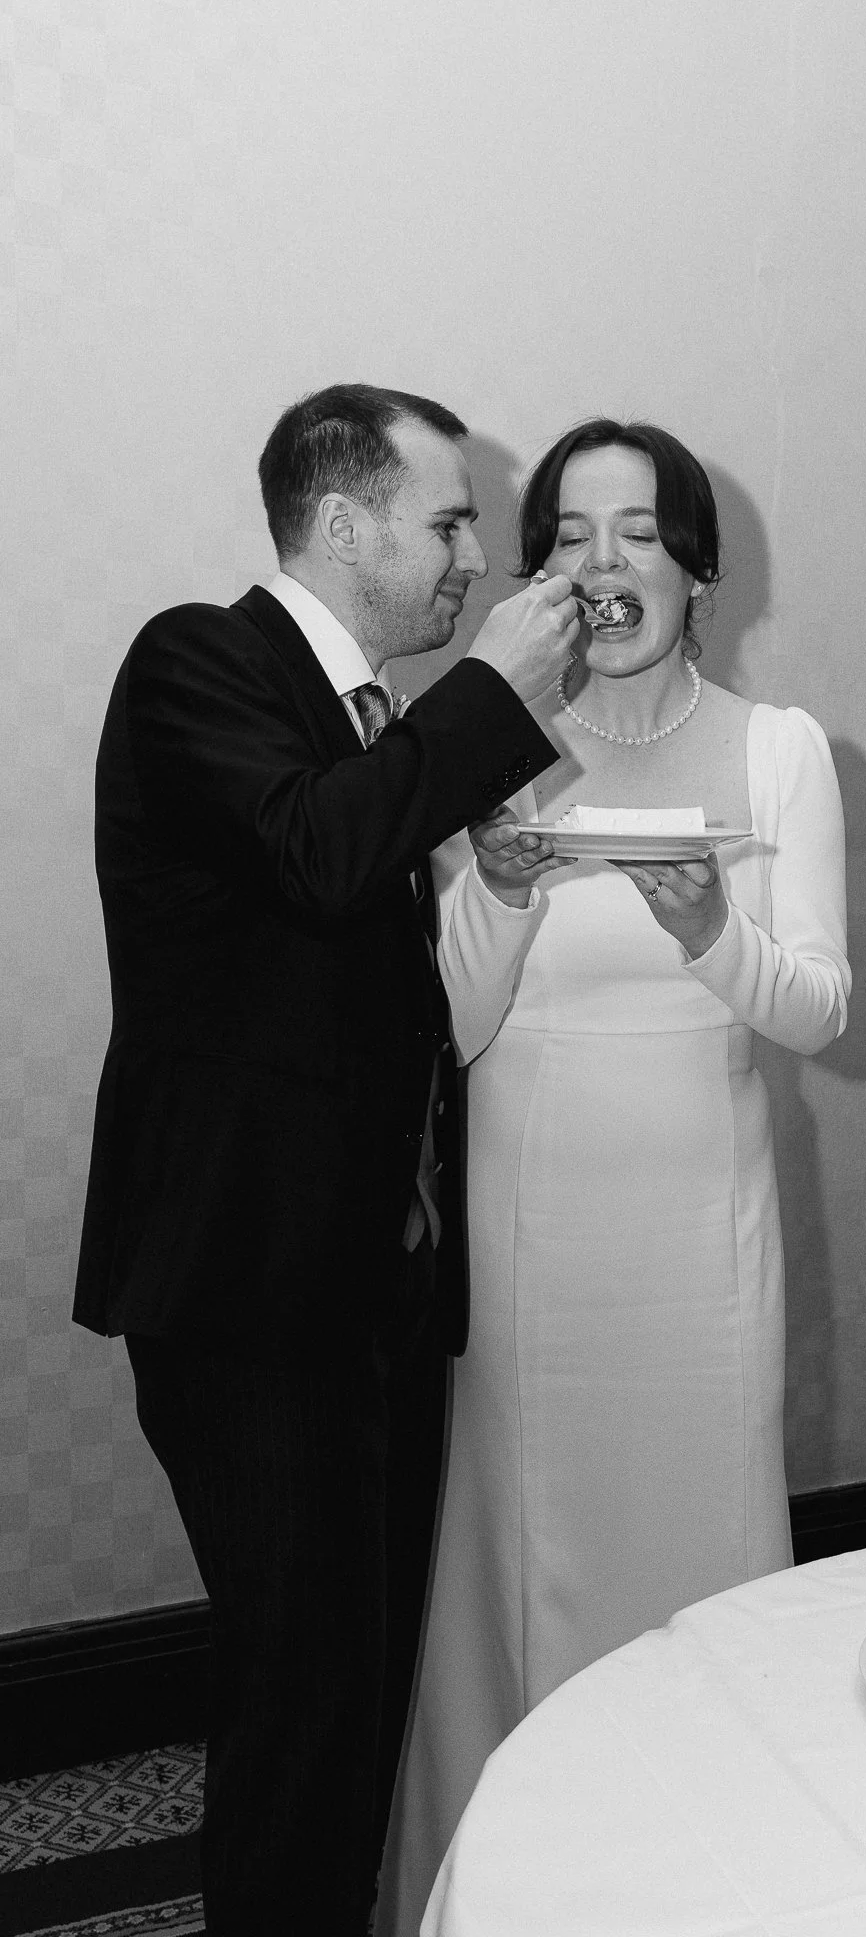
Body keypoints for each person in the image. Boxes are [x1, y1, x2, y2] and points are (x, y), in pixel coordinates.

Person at [72, 385, 580, 1937]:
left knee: (347, 1700)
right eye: (445, 521)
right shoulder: (198, 660)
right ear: (342, 521)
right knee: (302, 1709)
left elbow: (365, 1001)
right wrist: (491, 701)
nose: (473, 561)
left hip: (370, 1295)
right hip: (248, 1296)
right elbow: (310, 851)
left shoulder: (372, 732)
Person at [378, 418, 851, 1932]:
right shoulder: (486, 755)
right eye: (570, 538)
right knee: (528, 1562)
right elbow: (447, 1027)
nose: (602, 565)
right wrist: (503, 893)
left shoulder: (785, 754)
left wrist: (711, 926)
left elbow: (822, 1012)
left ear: (696, 570)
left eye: (637, 533)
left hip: (701, 1251)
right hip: (532, 1250)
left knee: (698, 1567)